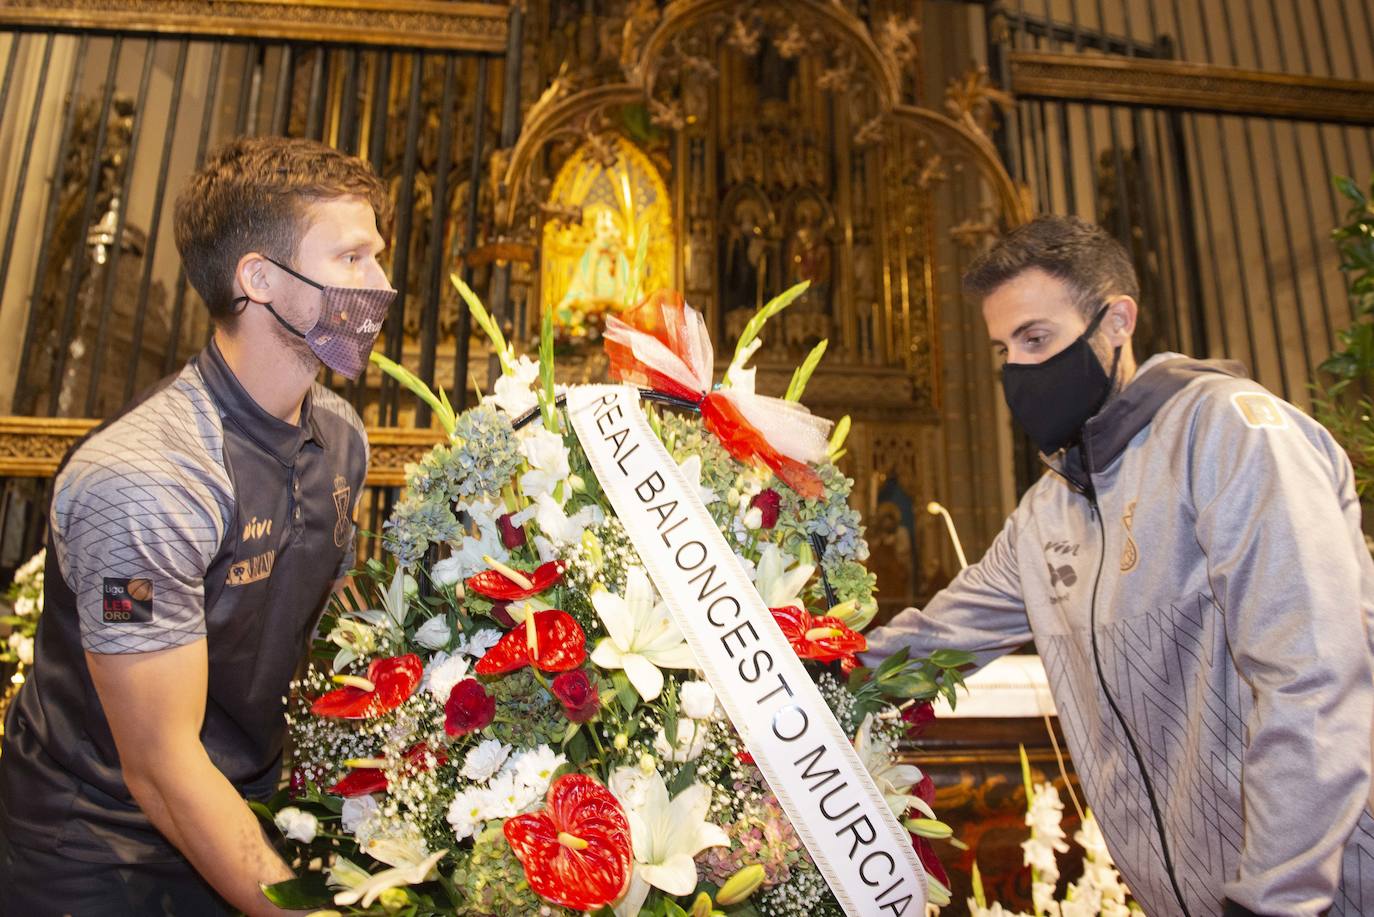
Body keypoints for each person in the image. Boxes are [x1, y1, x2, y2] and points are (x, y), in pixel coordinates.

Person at [864, 215, 1374, 916]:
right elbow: (933, 644)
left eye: (1036, 338)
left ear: (1116, 323)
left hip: (1328, 892)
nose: (1017, 370)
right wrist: (796, 671)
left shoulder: (1230, 434)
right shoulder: (1048, 510)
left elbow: (1314, 679)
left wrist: (1274, 902)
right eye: (1003, 349)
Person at [0, 136, 394, 915]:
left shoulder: (343, 437)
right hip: (99, 848)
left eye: (377, 258)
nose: (381, 286)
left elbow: (320, 631)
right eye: (353, 258)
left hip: (245, 812)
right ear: (258, 278)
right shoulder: (144, 478)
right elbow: (163, 769)